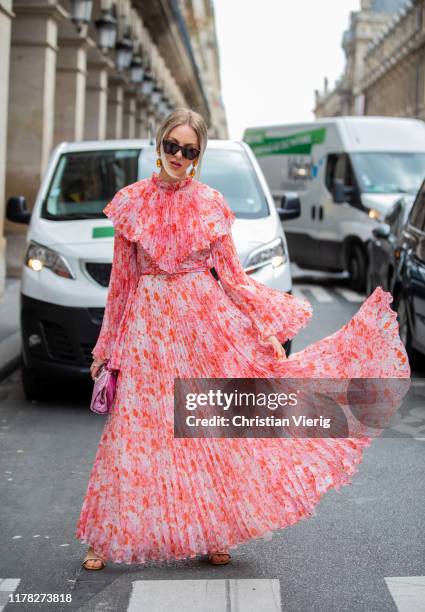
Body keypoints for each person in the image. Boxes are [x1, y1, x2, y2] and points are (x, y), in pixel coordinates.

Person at [76, 107, 411, 570]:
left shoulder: (211, 203)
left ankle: (217, 531)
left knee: (208, 429)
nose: (178, 155)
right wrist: (105, 349)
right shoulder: (131, 202)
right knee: (133, 432)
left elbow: (234, 280)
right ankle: (103, 540)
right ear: (159, 145)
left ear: (199, 155)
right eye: (171, 145)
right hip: (148, 332)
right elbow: (122, 285)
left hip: (203, 328)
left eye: (188, 150)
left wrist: (266, 328)